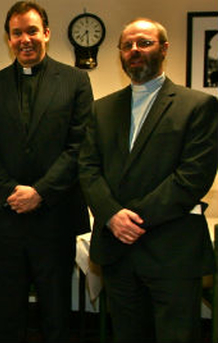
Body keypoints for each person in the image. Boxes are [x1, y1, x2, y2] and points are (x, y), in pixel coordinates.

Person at [79, 18, 218, 342]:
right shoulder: (101, 109)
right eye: (127, 46)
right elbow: (87, 168)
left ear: (164, 48)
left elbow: (192, 177)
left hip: (172, 252)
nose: (134, 51)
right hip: (118, 253)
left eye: (144, 43)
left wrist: (133, 219)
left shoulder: (197, 106)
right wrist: (112, 215)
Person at [0, 1, 93, 341]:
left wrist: (40, 191)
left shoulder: (76, 81)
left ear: (47, 34)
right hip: (6, 221)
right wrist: (9, 190)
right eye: (17, 33)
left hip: (55, 218)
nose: (25, 39)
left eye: (32, 31)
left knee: (56, 314)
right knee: (7, 313)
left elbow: (79, 146)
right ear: (8, 39)